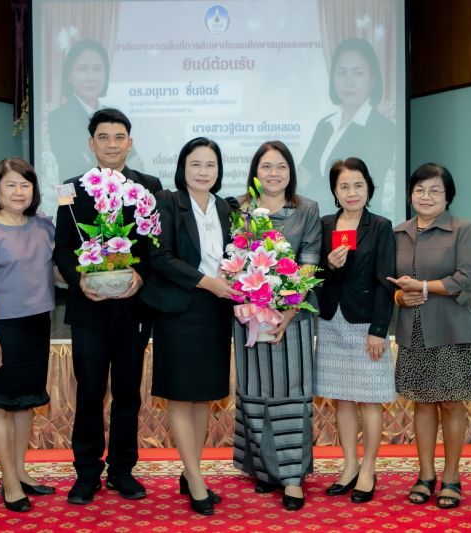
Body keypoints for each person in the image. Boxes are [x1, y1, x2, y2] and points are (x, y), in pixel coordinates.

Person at [54, 108, 162, 504]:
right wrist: (79, 280)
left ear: (130, 143)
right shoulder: (70, 189)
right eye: (103, 137)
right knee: (90, 392)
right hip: (90, 309)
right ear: (91, 143)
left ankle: (121, 470)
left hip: (134, 309)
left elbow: (155, 244)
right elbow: (62, 247)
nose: (112, 144)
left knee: (128, 393)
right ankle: (86, 472)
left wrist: (141, 276)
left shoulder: (149, 185)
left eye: (119, 137)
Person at [140, 137, 237, 515]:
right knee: (181, 395)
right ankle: (196, 480)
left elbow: (234, 255)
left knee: (203, 395)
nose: (203, 171)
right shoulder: (166, 202)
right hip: (180, 310)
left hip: (216, 310)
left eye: (210, 165)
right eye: (195, 164)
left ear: (219, 170)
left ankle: (191, 470)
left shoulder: (226, 208)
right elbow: (158, 255)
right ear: (182, 168)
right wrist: (206, 281)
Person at [0, 158, 57, 513]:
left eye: (25, 185)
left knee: (25, 403)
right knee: (1, 406)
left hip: (37, 325)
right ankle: (9, 481)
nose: (19, 192)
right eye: (11, 185)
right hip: (1, 327)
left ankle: (20, 471)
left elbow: (56, 272)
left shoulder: (43, 225)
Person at [388, 163, 471, 509]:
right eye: (419, 190)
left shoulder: (462, 229)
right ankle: (426, 475)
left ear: (448, 196)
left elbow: (470, 278)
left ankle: (452, 477)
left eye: (434, 190)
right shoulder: (398, 233)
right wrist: (400, 298)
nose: (426, 196)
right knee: (423, 403)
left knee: (451, 403)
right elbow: (389, 283)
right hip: (413, 330)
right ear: (410, 194)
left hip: (451, 330)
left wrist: (425, 287)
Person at [232, 140, 322, 511]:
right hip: (249, 317)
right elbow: (234, 260)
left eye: (281, 166)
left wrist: (287, 312)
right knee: (255, 390)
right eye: (267, 166)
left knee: (291, 393)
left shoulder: (306, 209)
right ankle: (264, 468)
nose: (274, 173)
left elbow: (309, 263)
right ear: (255, 172)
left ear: (291, 172)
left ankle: (292, 477)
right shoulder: (240, 209)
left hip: (293, 317)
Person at [314, 157, 396, 504]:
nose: (352, 192)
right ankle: (349, 465)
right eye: (344, 186)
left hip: (366, 324)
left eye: (358, 185)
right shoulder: (324, 224)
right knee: (342, 398)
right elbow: (313, 274)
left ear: (368, 188)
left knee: (371, 399)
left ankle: (368, 469)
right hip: (331, 321)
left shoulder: (380, 226)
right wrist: (328, 265)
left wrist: (379, 329)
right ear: (334, 191)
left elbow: (385, 281)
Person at [298, 38, 395, 217]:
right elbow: (301, 176)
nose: (348, 82)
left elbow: (364, 185)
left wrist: (314, 184)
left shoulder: (383, 128)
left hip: (360, 224)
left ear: (373, 79)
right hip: (320, 222)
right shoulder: (325, 124)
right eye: (341, 72)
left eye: (358, 73)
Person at [48, 39, 141, 179]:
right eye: (83, 69)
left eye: (97, 69)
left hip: (123, 191)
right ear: (69, 76)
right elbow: (71, 166)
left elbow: (135, 163)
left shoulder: (114, 116)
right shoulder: (59, 117)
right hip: (79, 191)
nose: (91, 77)